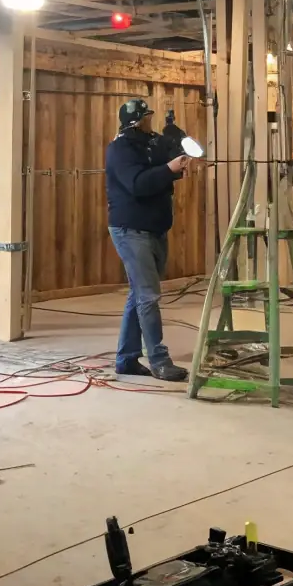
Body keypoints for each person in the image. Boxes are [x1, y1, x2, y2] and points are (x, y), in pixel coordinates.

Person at [104, 98, 192, 382]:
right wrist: (169, 169)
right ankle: (159, 360)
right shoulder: (120, 150)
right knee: (148, 297)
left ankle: (127, 359)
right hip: (131, 230)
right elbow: (138, 184)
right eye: (145, 119)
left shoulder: (148, 144)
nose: (149, 124)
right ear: (134, 122)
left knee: (139, 295)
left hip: (154, 229)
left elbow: (158, 171)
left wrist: (176, 152)